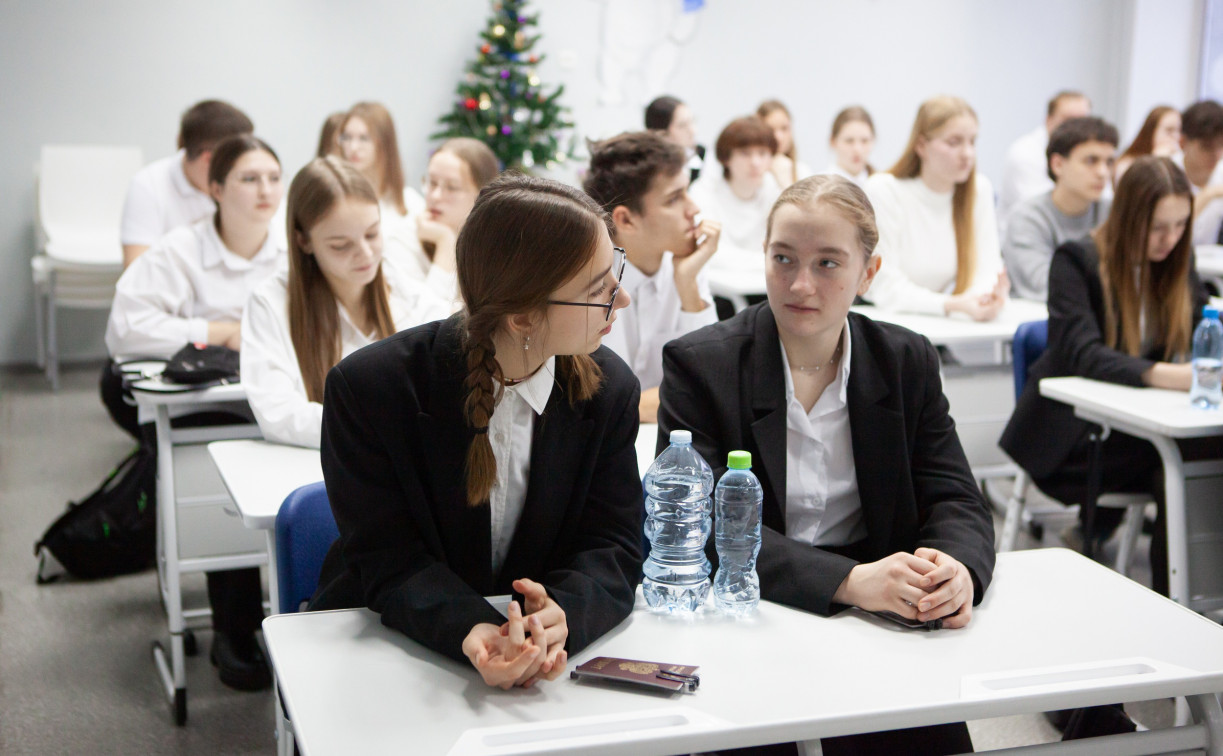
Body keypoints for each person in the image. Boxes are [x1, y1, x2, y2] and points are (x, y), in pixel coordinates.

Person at [658, 174, 994, 755]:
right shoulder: (701, 364)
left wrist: (956, 568)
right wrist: (848, 582)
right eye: (782, 258)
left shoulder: (904, 358)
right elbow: (700, 527)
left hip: (886, 611)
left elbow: (955, 496)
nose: (800, 283)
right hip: (754, 601)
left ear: (870, 273)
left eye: (829, 263)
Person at [309, 174, 644, 690]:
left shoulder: (610, 389)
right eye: (597, 289)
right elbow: (387, 557)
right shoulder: (369, 389)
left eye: (613, 272)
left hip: (545, 667)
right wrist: (469, 627)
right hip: (397, 651)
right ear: (522, 316)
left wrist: (566, 614)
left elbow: (614, 542)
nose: (620, 301)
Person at [104, 134, 286, 692]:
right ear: (214, 189)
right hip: (201, 406)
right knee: (217, 481)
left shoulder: (293, 243)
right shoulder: (181, 249)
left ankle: (297, 617)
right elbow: (125, 329)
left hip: (271, 396)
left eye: (274, 178)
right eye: (249, 179)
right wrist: (214, 332)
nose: (266, 191)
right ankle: (234, 630)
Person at [1001, 155, 1208, 594]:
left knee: (1197, 457)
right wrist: (1177, 376)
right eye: (1157, 227)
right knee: (1187, 459)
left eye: (1179, 227)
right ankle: (1182, 601)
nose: (1169, 240)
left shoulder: (1175, 262)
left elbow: (1202, 319)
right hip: (1071, 440)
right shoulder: (1076, 261)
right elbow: (1084, 355)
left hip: (1132, 434)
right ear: (1130, 216)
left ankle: (1186, 597)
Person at [240, 158, 454, 449]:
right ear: (304, 241)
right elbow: (279, 415)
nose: (365, 254)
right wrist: (381, 425)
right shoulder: (271, 302)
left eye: (372, 234)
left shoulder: (406, 292)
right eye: (341, 245)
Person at [583, 131, 720, 422]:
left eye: (687, 191)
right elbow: (599, 404)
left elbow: (714, 381)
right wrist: (684, 395)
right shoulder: (585, 284)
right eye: (674, 198)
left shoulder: (687, 267)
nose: (693, 209)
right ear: (626, 219)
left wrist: (687, 286)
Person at [864, 96, 1008, 320]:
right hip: (886, 324)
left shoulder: (978, 190)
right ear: (921, 145)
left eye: (972, 142)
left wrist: (985, 299)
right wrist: (953, 305)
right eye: (954, 142)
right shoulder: (884, 190)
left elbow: (988, 270)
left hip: (937, 326)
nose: (968, 153)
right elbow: (884, 286)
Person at [119, 99, 253, 268]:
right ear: (209, 158)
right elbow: (136, 271)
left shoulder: (245, 181)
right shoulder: (149, 184)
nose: (247, 161)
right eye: (239, 155)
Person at [1004, 116, 1118, 301]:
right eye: (1091, 160)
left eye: (1109, 162)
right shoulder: (1028, 218)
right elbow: (1047, 285)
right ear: (1057, 164)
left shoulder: (1113, 212)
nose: (1103, 172)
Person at [396, 137, 499, 298]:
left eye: (452, 187)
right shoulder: (403, 240)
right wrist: (445, 242)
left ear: (483, 195)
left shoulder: (494, 245)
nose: (435, 196)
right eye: (432, 183)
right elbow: (427, 319)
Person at [688, 116, 781, 277]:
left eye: (762, 153)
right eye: (745, 153)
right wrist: (763, 261)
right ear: (726, 158)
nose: (755, 162)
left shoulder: (773, 189)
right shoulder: (703, 191)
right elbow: (707, 249)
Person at [998, 91, 1092, 228]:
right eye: (1069, 120)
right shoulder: (1025, 153)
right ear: (1049, 120)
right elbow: (1038, 212)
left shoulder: (1093, 155)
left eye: (1084, 122)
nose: (1077, 128)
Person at [1175, 100, 1223, 245]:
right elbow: (1174, 227)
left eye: (1221, 145)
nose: (1216, 155)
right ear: (1183, 142)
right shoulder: (1166, 173)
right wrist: (1208, 194)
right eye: (1206, 147)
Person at [646, 95, 705, 183]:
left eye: (692, 121)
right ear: (661, 134)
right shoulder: (650, 170)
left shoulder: (704, 156)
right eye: (682, 125)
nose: (693, 131)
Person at [1115, 105, 1180, 182]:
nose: (1176, 137)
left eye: (1179, 131)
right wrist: (1156, 160)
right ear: (1151, 131)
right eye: (1169, 130)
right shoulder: (1126, 164)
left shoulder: (1177, 161)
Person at [757, 99, 812, 189]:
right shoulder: (754, 173)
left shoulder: (802, 171)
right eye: (770, 129)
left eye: (784, 128)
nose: (779, 137)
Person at [824, 106, 876, 189]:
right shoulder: (819, 188)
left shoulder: (881, 186)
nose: (857, 149)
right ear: (833, 141)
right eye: (849, 141)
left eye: (864, 141)